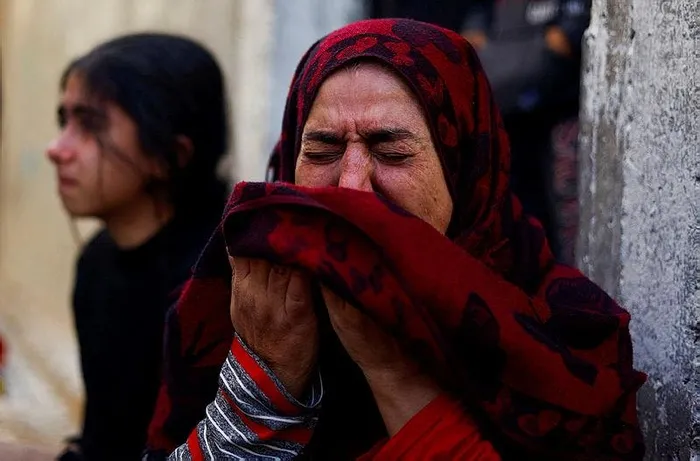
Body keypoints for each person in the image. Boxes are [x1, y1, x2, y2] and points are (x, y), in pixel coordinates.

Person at [146, 19, 645, 460]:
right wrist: (263, 385)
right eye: (321, 151)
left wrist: (393, 374)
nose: (351, 187)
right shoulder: (243, 310)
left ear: (464, 171)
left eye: (392, 152)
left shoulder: (566, 340)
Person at [47, 33, 230, 461]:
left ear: (169, 155)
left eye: (90, 125)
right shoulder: (98, 262)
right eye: (64, 121)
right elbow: (105, 442)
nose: (56, 149)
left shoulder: (220, 283)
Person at [461, 0, 591, 263]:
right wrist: (538, 47)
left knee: (569, 229)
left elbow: (564, 42)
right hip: (506, 126)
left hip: (561, 119)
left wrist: (496, 55)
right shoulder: (488, 8)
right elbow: (468, 47)